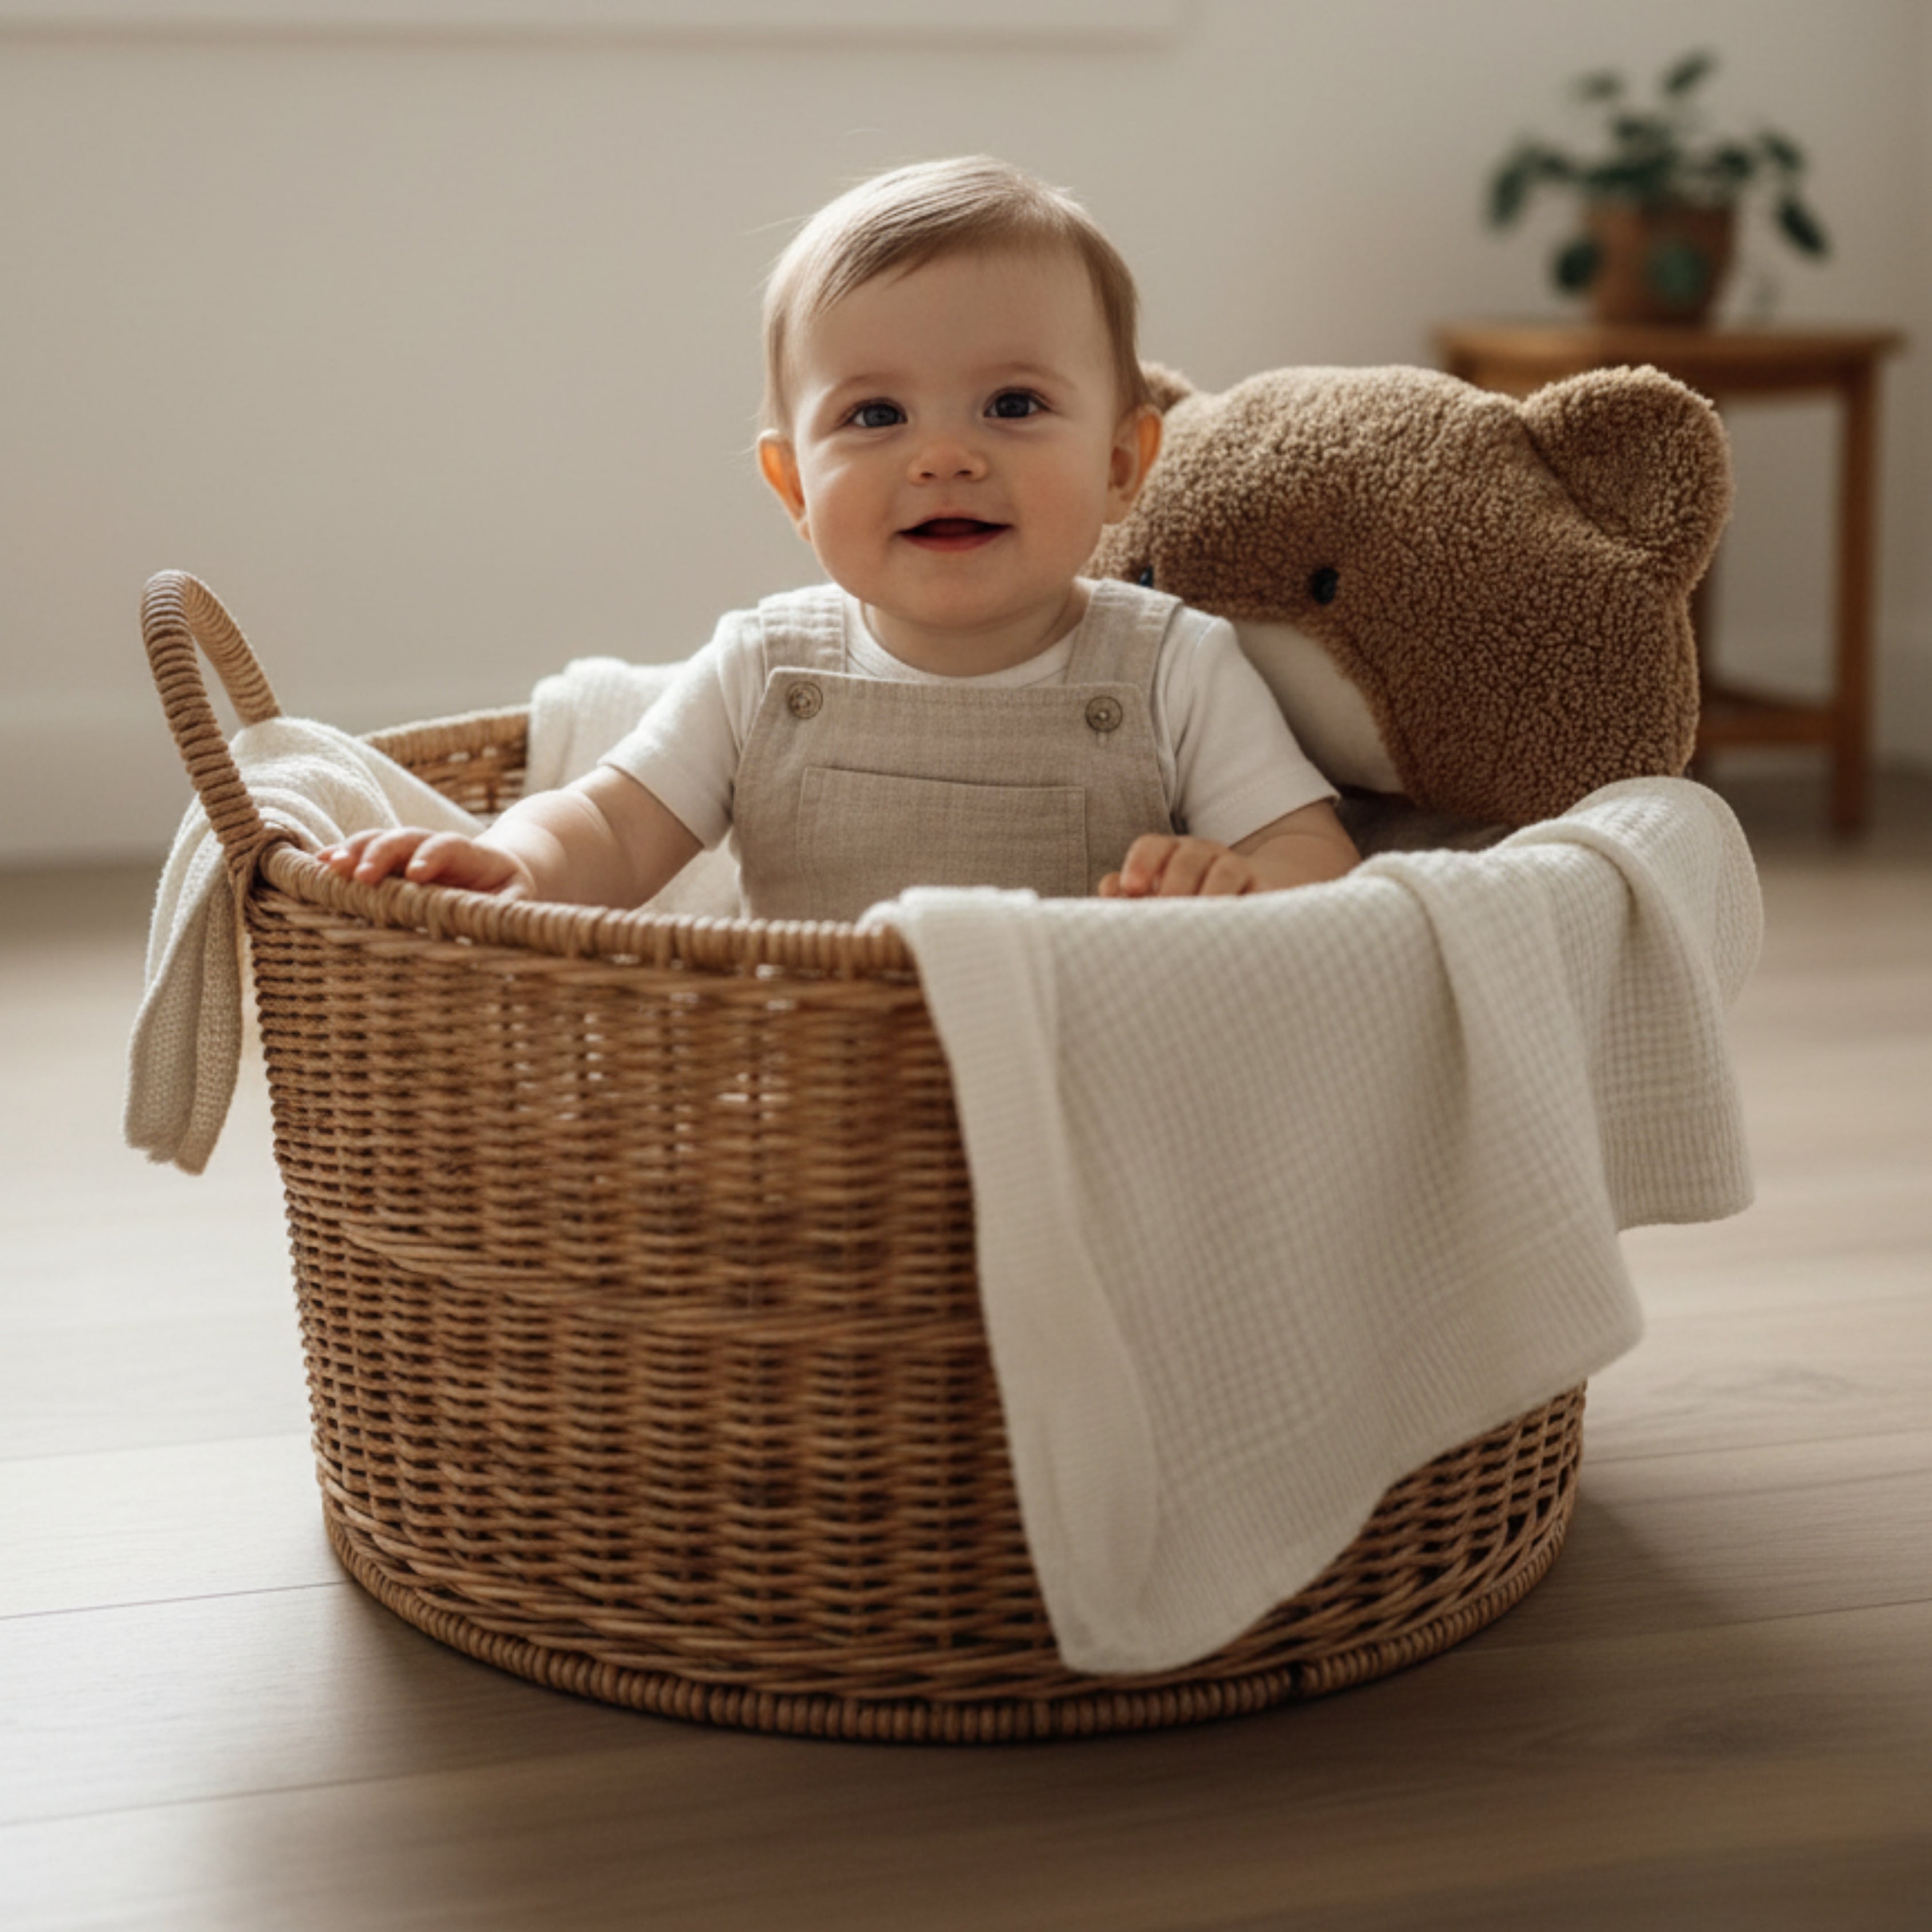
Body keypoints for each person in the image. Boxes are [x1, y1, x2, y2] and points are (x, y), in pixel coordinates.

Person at [321, 157, 1357, 917]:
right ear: (794, 487)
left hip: (1074, 1095)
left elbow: (1315, 856)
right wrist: (517, 865)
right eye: (875, 417)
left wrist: (1243, 885)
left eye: (1011, 404)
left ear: (1124, 463)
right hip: (812, 1117)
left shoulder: (1174, 667)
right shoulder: (761, 670)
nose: (944, 457)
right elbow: (610, 823)